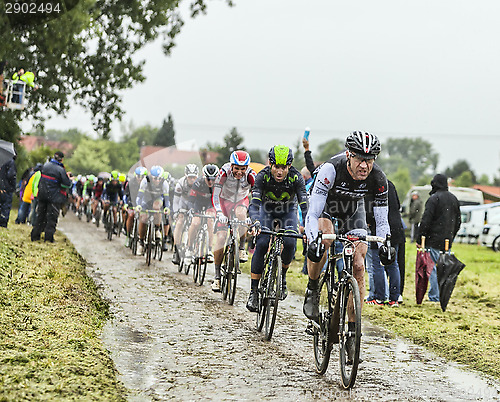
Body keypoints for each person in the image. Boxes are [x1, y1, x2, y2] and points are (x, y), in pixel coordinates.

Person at [303, 131, 395, 326]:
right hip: (327, 206)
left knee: (359, 265)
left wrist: (385, 245)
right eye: (360, 159)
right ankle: (312, 287)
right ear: (348, 155)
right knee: (325, 241)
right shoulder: (330, 170)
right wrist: (313, 240)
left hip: (353, 209)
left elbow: (382, 221)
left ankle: (353, 330)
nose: (364, 165)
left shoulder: (378, 178)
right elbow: (312, 213)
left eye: (369, 160)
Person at [246, 145, 308, 312]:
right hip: (266, 212)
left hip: (287, 212)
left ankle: (283, 277)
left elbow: (304, 204)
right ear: (270, 165)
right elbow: (254, 204)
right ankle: (253, 292)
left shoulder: (296, 178)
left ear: (289, 166)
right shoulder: (262, 176)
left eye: (284, 168)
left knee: (289, 242)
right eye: (276, 167)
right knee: (262, 242)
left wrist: (308, 226)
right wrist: (255, 221)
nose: (280, 172)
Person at [211, 150, 256, 292]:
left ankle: (242, 248)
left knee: (241, 213)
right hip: (224, 202)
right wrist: (219, 212)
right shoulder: (223, 172)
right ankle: (217, 277)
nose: (240, 172)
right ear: (231, 166)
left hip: (241, 200)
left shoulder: (251, 175)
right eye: (237, 168)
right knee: (221, 237)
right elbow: (216, 195)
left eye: (243, 168)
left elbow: (257, 196)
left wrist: (253, 216)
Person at [416, 174, 461, 302]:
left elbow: (426, 220)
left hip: (433, 239)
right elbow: (458, 221)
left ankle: (435, 296)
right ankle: (442, 295)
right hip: (447, 240)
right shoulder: (453, 199)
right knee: (444, 268)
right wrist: (452, 235)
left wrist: (420, 238)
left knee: (433, 268)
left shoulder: (434, 199)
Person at [365, 180, 404, 307]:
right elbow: (397, 205)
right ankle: (394, 298)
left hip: (380, 228)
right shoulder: (390, 184)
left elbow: (368, 209)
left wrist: (369, 222)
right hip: (396, 228)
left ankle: (380, 297)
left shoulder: (370, 184)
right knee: (393, 264)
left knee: (377, 264)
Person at [31, 151, 72, 242]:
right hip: (54, 197)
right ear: (61, 159)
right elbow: (67, 184)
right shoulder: (60, 170)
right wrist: (69, 179)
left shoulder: (45, 166)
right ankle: (48, 238)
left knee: (40, 216)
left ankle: (35, 236)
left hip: (42, 195)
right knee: (52, 218)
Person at [186, 164, 219, 261]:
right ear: (204, 177)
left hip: (210, 204)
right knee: (195, 223)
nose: (210, 182)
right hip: (198, 203)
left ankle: (209, 250)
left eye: (213, 179)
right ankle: (189, 248)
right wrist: (191, 210)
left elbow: (220, 200)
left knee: (210, 221)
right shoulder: (198, 183)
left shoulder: (218, 185)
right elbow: (191, 200)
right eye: (208, 179)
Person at [135, 165, 170, 255]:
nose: (157, 181)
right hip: (146, 199)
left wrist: (167, 207)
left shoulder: (165, 183)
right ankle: (141, 242)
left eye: (159, 179)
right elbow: (139, 195)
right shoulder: (145, 181)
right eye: (155, 179)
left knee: (157, 208)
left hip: (157, 199)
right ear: (151, 177)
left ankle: (157, 229)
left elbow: (166, 198)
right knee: (143, 217)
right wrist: (138, 205)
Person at [172, 164, 199, 264]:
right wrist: (176, 212)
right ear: (186, 176)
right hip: (183, 203)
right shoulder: (180, 183)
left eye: (194, 177)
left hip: (194, 204)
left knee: (196, 223)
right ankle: (176, 250)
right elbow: (176, 201)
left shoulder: (200, 183)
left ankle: (193, 247)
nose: (192, 179)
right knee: (179, 222)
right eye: (190, 177)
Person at [0, 156, 17, 228]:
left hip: (1, 186)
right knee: (6, 206)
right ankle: (3, 224)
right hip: (7, 188)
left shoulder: (2, 160)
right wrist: (13, 187)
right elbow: (11, 175)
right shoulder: (10, 162)